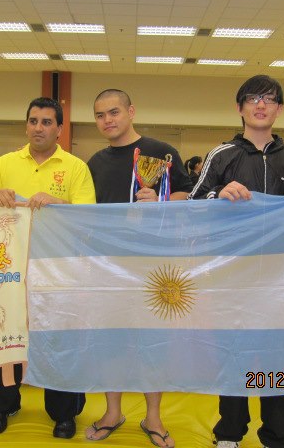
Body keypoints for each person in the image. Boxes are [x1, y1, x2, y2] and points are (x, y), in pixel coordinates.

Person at [188, 75, 284, 448]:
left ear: (280, 109)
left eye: (269, 99)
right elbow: (193, 203)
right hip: (232, 274)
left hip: (282, 275)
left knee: (278, 356)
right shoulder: (221, 154)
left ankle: (278, 435)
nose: (261, 104)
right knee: (233, 353)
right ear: (240, 107)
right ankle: (229, 431)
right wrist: (218, 192)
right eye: (253, 98)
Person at [0, 96, 95, 438]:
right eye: (33, 121)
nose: (38, 127)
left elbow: (88, 217)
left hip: (58, 270)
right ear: (26, 125)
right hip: (8, 269)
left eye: (46, 122)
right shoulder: (4, 164)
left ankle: (64, 413)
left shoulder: (75, 167)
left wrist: (60, 203)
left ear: (59, 129)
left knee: (59, 340)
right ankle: (2, 406)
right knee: (3, 335)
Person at [84, 89, 193, 448]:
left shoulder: (162, 152)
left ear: (131, 111)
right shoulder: (95, 163)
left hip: (154, 264)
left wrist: (161, 200)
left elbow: (187, 195)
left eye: (114, 112)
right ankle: (113, 412)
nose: (107, 120)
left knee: (153, 341)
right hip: (109, 265)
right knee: (110, 339)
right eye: (100, 115)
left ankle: (154, 417)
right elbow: (85, 210)